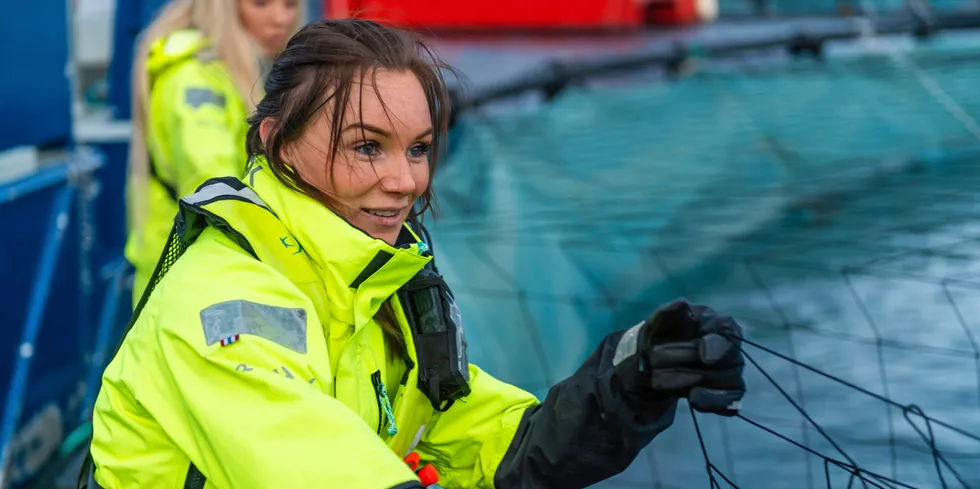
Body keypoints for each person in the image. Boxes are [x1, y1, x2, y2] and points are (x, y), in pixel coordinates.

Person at [88, 19, 747, 489]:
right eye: (366, 146)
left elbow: (484, 445)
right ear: (277, 142)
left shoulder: (390, 293)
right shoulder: (221, 311)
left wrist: (627, 379)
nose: (405, 181)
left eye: (419, 148)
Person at [123, 0, 304, 307]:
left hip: (219, 270)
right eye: (260, 3)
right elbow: (213, 187)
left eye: (290, 4)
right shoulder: (194, 78)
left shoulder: (240, 72)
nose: (280, 18)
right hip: (187, 281)